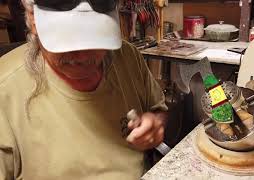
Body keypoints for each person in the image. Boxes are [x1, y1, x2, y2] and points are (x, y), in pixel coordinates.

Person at [0, 0, 168, 179]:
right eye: (66, 41)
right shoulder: (6, 90)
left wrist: (156, 123)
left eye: (94, 38)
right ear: (33, 18)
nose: (82, 56)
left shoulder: (128, 57)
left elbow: (158, 110)